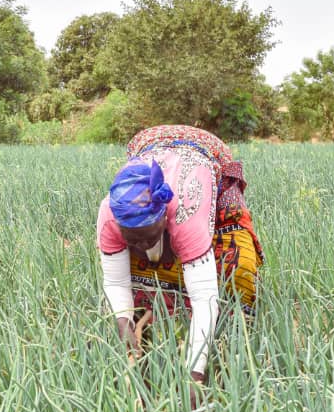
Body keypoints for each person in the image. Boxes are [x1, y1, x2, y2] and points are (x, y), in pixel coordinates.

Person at [96, 125, 264, 391]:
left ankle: (233, 328)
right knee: (138, 263)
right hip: (148, 142)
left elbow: (204, 297)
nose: (140, 244)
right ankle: (151, 316)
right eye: (132, 238)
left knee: (237, 260)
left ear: (164, 218)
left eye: (147, 235)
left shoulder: (187, 213)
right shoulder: (110, 216)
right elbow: (116, 282)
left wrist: (194, 374)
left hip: (208, 151)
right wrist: (123, 324)